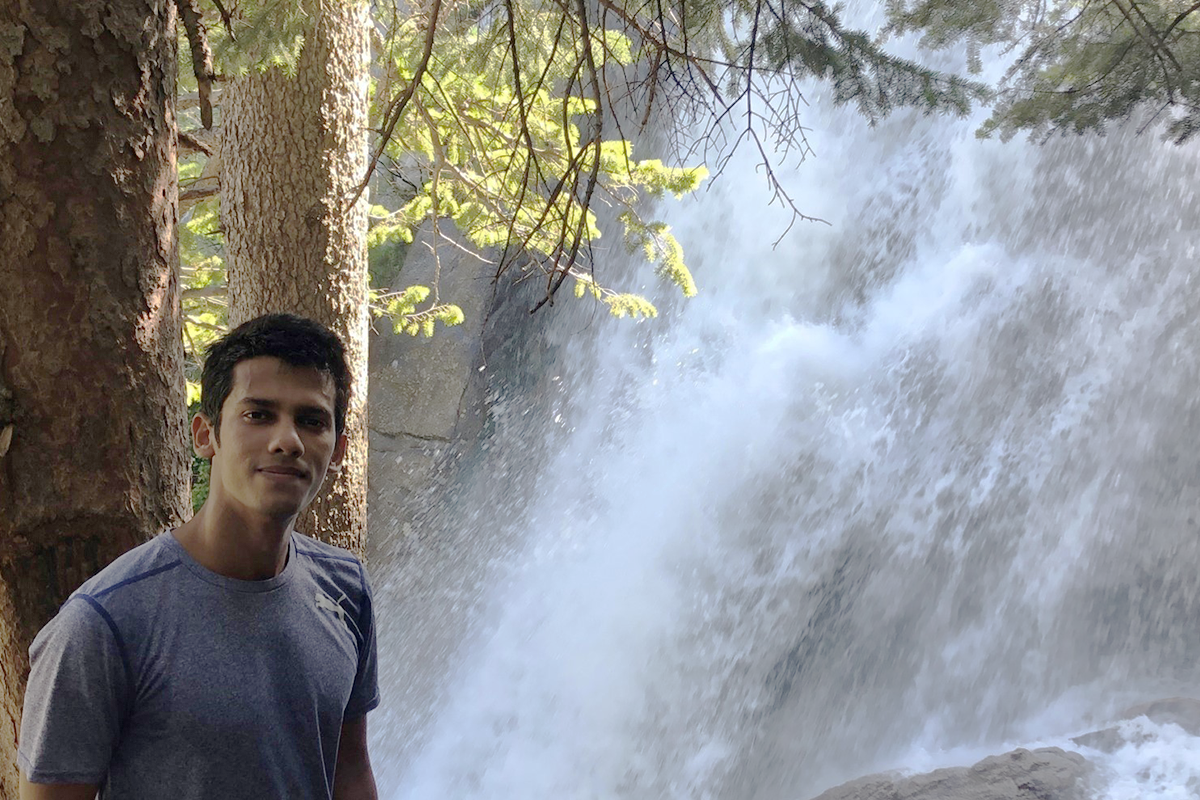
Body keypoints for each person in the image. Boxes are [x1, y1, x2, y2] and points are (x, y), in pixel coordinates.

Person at [17, 314, 380, 800]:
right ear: (206, 435)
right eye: (259, 414)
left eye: (311, 420)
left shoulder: (345, 588)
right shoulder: (105, 623)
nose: (287, 441)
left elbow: (349, 772)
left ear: (336, 449)